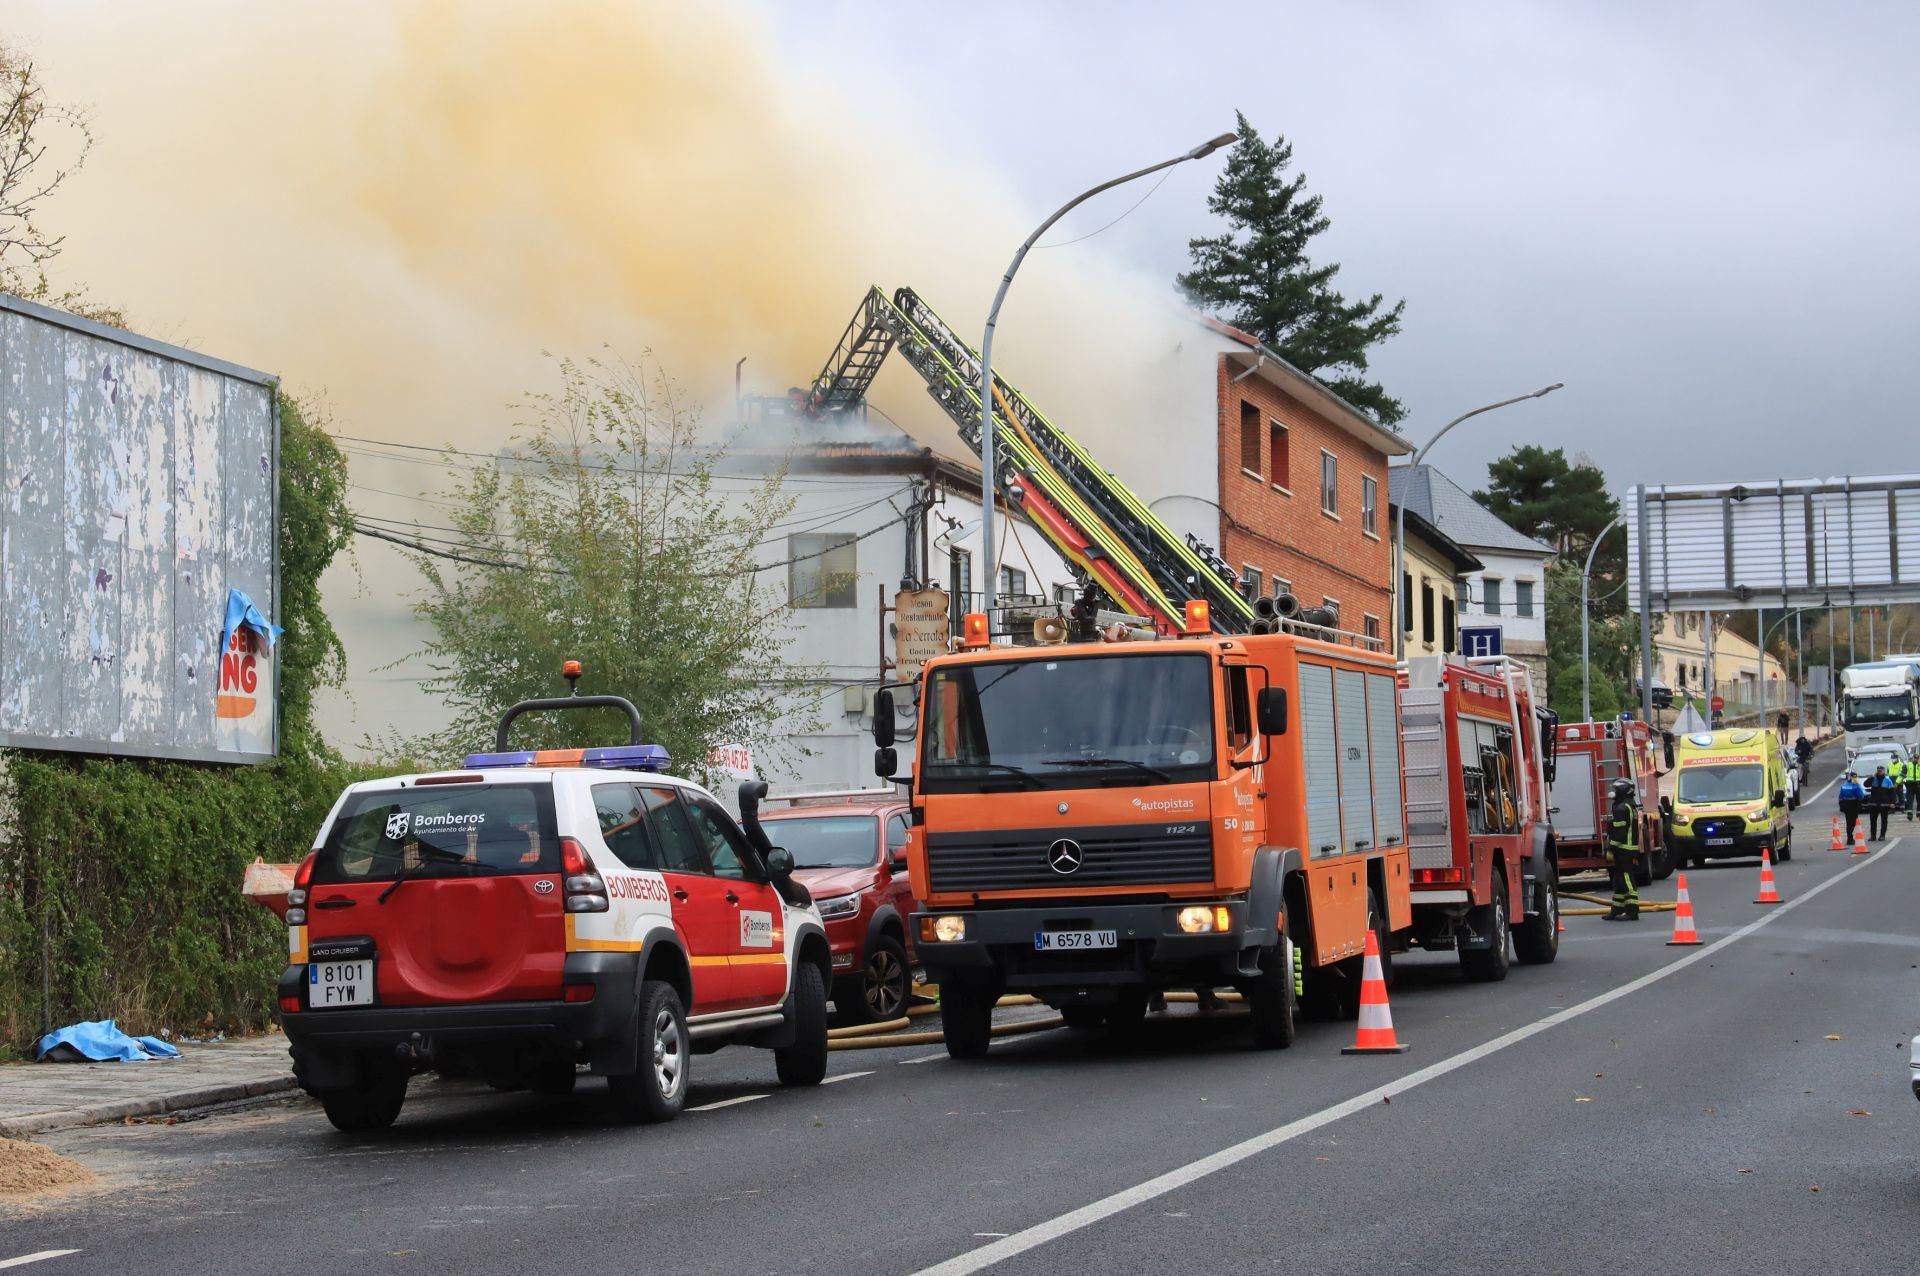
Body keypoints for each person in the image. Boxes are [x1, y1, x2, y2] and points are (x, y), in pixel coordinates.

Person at [1604, 779, 1641, 921]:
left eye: (1616, 789)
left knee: (1626, 880)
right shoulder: (1629, 806)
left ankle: (1632, 911)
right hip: (1627, 850)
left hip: (1623, 850)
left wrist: (1610, 848)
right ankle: (1616, 910)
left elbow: (1619, 833)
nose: (1613, 792)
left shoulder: (1621, 808)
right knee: (1619, 881)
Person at [1868, 765, 1898, 841]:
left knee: (1884, 821)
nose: (1879, 772)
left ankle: (1882, 835)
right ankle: (1873, 836)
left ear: (1884, 771)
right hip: (1873, 804)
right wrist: (1872, 776)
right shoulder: (1873, 779)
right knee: (1873, 821)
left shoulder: (1888, 780)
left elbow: (1892, 793)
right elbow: (1866, 784)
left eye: (1881, 771)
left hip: (1884, 805)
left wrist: (1893, 802)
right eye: (1878, 771)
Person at [1839, 771, 1867, 845]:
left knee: (1848, 822)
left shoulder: (1844, 785)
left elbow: (1840, 797)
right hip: (1854, 804)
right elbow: (1860, 796)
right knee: (1853, 822)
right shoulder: (1856, 785)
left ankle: (1849, 838)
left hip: (1846, 804)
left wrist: (1841, 806)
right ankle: (1850, 838)